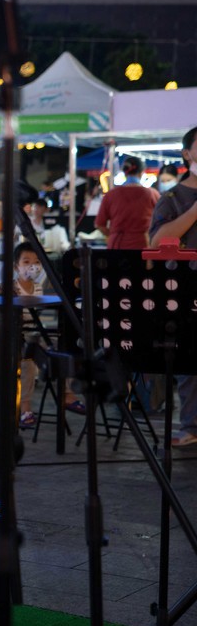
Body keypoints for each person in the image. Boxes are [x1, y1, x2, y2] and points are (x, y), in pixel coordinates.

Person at [147, 127, 197, 446]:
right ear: (186, 154)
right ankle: (191, 426)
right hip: (184, 289)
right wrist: (194, 211)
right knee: (190, 362)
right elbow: (156, 242)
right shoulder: (172, 198)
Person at [6, 242, 82, 429]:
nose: (32, 266)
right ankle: (24, 407)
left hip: (34, 334)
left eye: (36, 262)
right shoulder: (12, 286)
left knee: (67, 347)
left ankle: (67, 394)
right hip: (17, 337)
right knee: (28, 364)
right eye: (26, 262)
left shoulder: (38, 287)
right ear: (16, 267)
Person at [95, 156, 159, 250]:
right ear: (142, 172)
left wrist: (113, 234)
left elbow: (99, 224)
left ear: (124, 172)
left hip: (117, 245)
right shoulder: (152, 194)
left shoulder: (111, 195)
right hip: (143, 245)